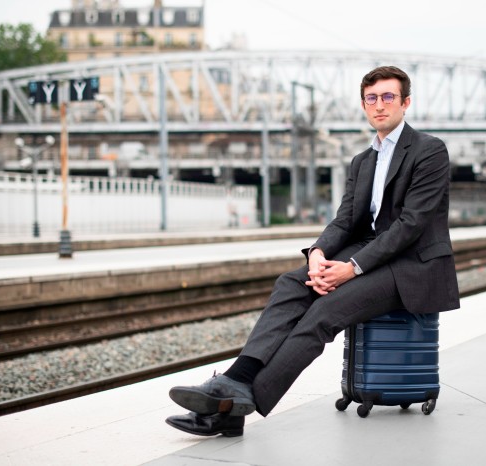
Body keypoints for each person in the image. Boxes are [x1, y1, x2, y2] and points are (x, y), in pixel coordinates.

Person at [165, 65, 460, 437]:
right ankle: (234, 389)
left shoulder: (429, 150)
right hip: (371, 256)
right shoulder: (362, 161)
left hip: (410, 267)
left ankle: (233, 404)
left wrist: (351, 267)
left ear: (406, 103)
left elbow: (411, 225)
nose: (380, 105)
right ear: (364, 105)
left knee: (324, 311)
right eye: (372, 98)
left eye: (388, 97)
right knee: (291, 283)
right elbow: (344, 221)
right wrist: (318, 254)